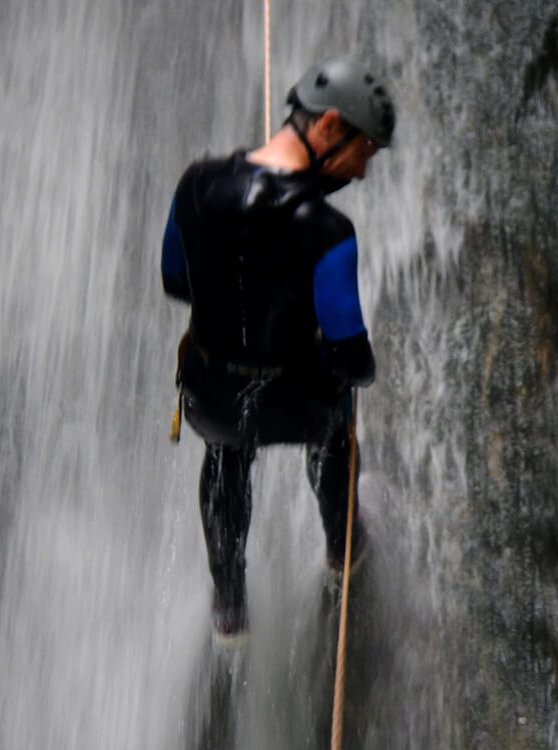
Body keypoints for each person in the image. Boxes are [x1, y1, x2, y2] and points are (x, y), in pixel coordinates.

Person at [161, 56, 395, 641]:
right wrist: (349, 368)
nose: (360, 172)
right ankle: (344, 547)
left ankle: (229, 600)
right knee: (334, 430)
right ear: (328, 126)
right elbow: (350, 356)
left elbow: (174, 280)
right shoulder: (328, 231)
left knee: (224, 450)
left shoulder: (195, 184)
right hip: (294, 405)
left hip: (210, 396)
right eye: (362, 151)